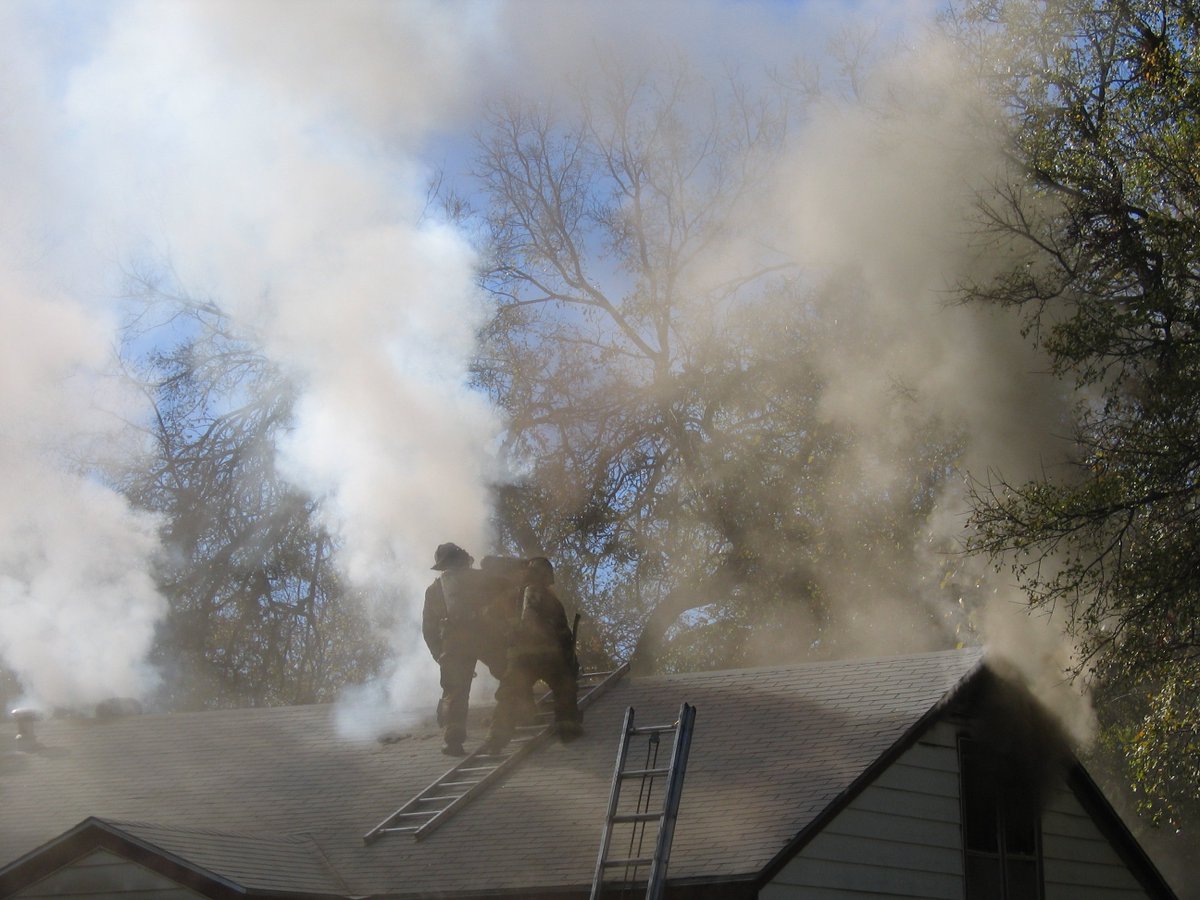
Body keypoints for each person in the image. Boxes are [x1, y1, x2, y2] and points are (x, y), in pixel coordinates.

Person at [479, 556, 582, 754]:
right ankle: (567, 728)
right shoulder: (543, 596)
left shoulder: (522, 594)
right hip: (548, 656)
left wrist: (509, 631)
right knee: (564, 688)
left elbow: (501, 616)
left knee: (510, 695)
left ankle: (496, 739)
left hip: (524, 657)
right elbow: (537, 623)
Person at [422, 542, 517, 755]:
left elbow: (428, 628)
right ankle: (508, 721)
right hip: (486, 636)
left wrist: (441, 655)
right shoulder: (480, 578)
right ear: (463, 558)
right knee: (512, 674)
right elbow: (509, 591)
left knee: (454, 691)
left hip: (453, 643)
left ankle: (453, 741)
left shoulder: (434, 590)